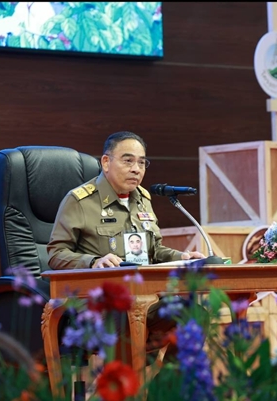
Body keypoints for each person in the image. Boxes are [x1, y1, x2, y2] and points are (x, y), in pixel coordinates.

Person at [47, 130, 205, 357]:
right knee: (129, 322)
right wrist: (93, 262)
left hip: (144, 298)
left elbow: (154, 251)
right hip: (99, 304)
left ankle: (167, 380)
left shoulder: (143, 199)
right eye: (128, 161)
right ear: (106, 162)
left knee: (195, 316)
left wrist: (182, 257)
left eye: (142, 162)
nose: (136, 169)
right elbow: (56, 253)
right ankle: (126, 378)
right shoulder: (80, 201)